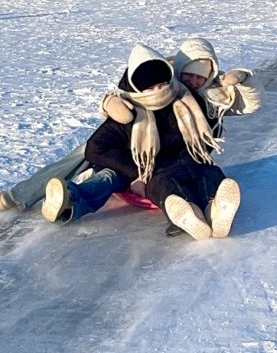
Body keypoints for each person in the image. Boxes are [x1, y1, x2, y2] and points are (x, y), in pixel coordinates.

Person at [41, 43, 242, 240]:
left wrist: (234, 82)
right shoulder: (129, 113)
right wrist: (135, 174)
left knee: (208, 173)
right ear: (138, 89)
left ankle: (216, 208)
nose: (158, 91)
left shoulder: (185, 103)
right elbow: (95, 148)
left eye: (162, 85)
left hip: (180, 163)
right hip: (141, 170)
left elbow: (214, 107)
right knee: (110, 179)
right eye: (150, 88)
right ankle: (70, 201)